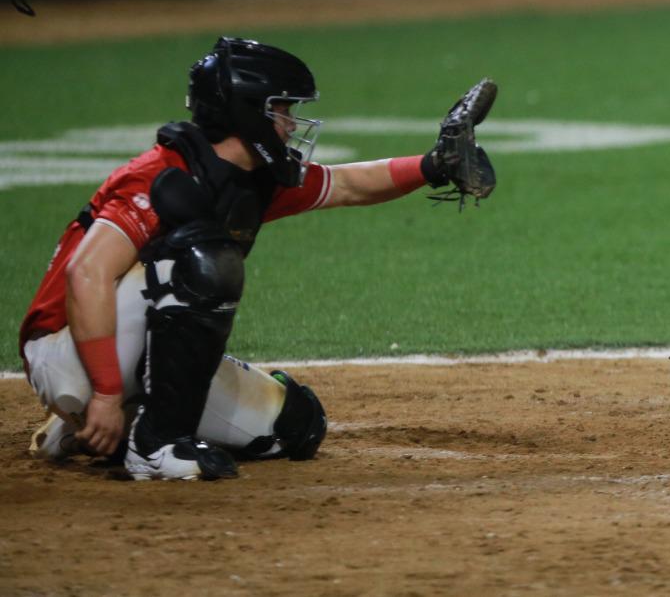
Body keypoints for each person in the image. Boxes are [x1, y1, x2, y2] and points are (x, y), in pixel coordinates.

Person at [20, 38, 497, 480]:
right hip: (67, 349)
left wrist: (434, 166)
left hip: (124, 346)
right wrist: (103, 387)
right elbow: (87, 274)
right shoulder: (162, 175)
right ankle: (150, 443)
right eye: (282, 109)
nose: (291, 123)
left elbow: (348, 184)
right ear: (246, 111)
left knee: (295, 426)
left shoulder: (250, 179)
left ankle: (103, 422)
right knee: (204, 261)